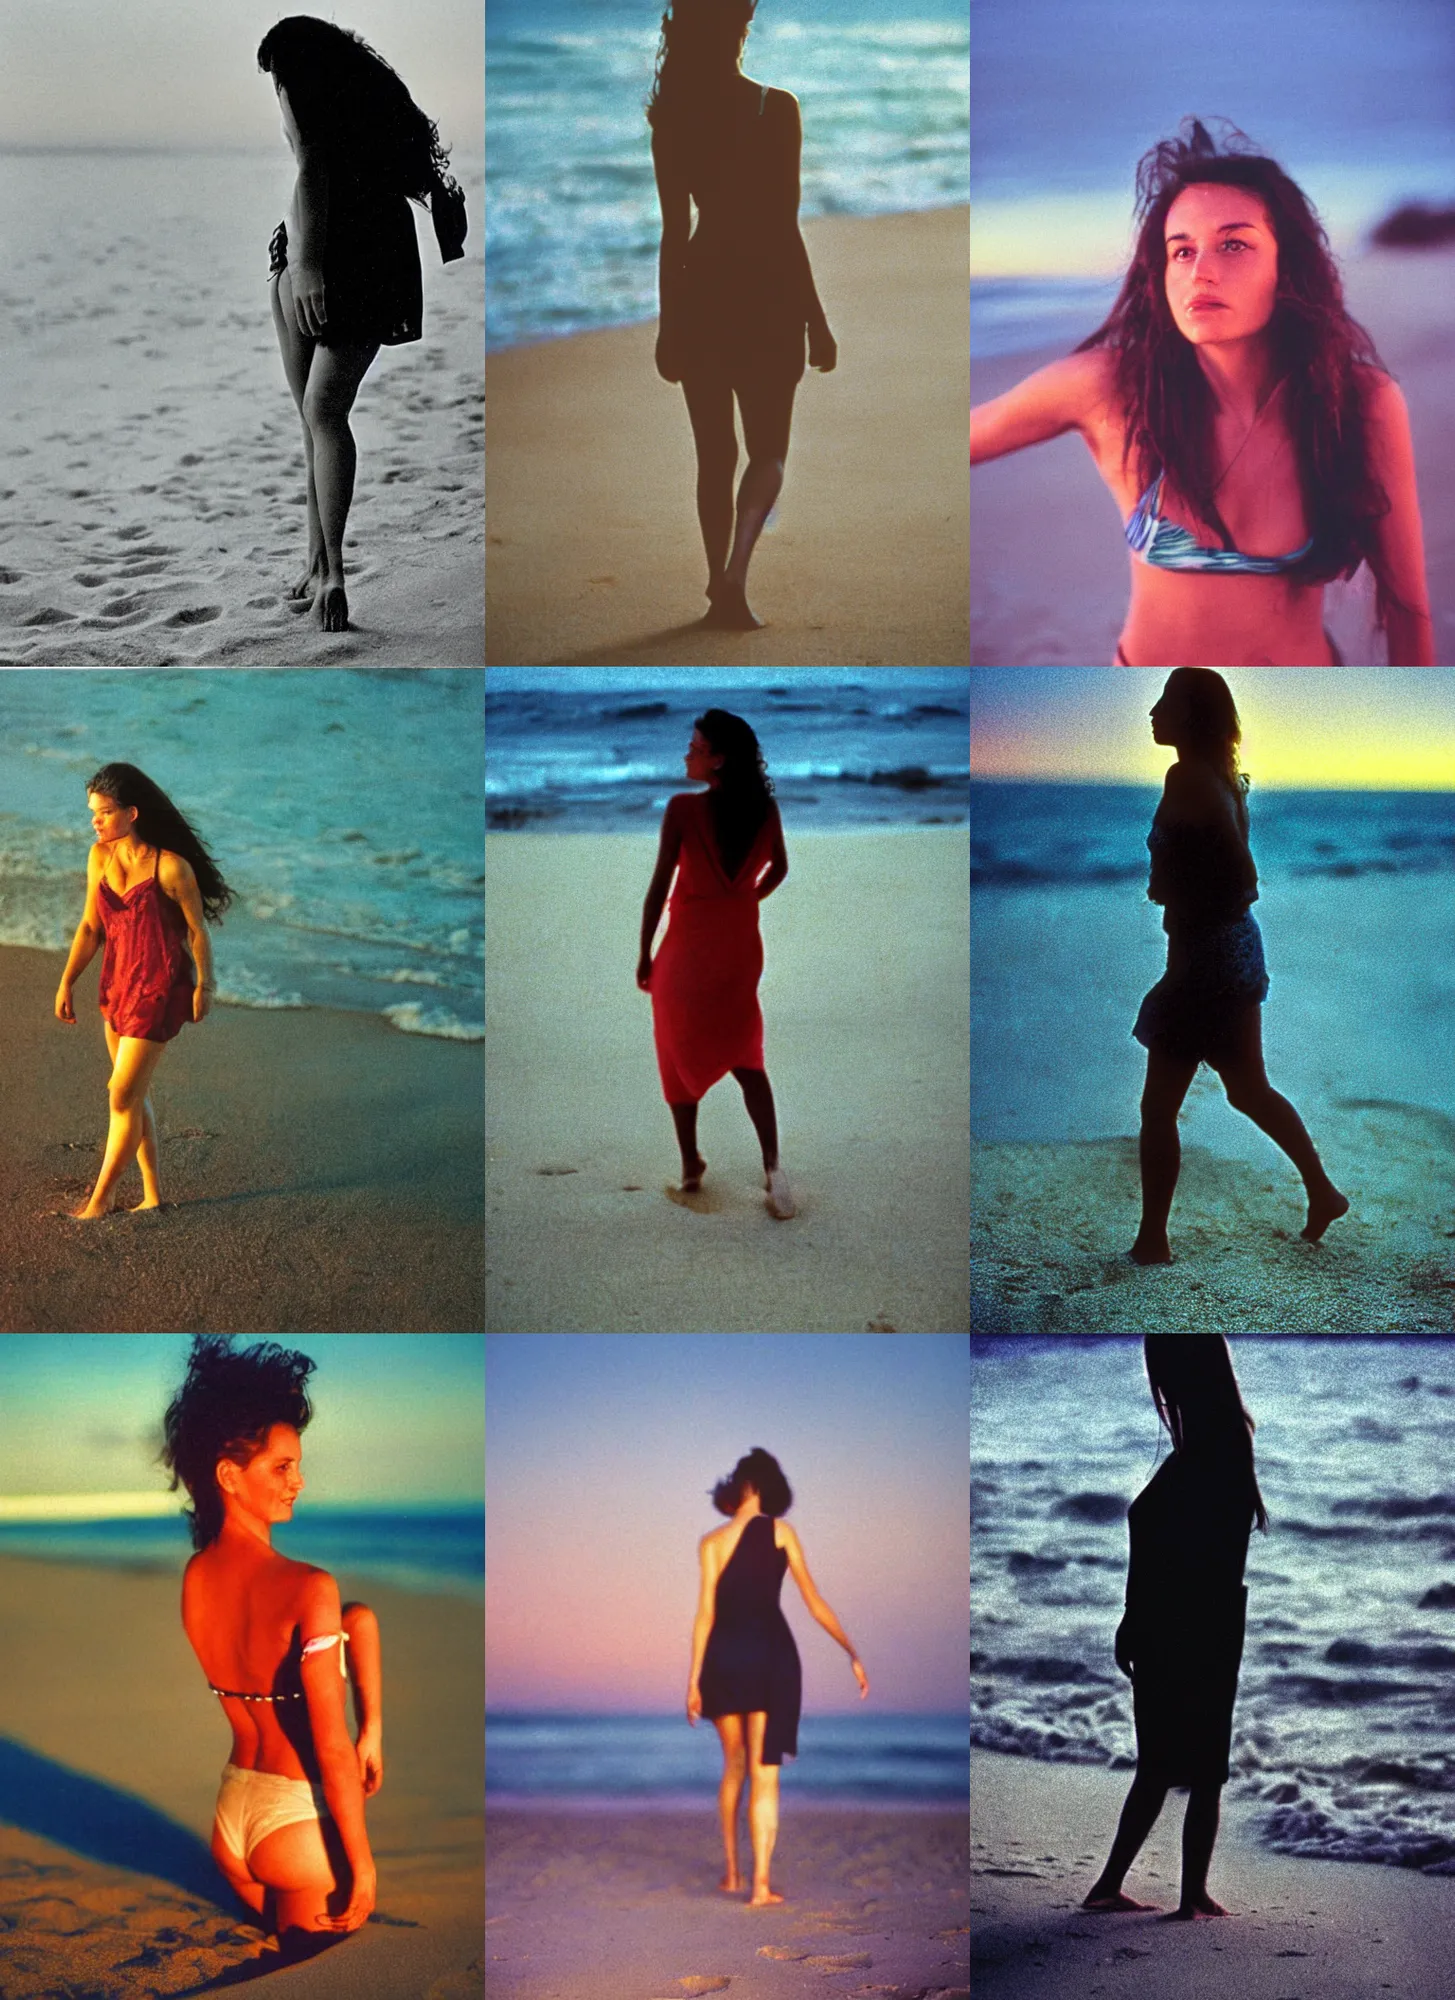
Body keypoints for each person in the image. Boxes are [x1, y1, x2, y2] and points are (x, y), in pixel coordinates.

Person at [969, 117, 1435, 666]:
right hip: (1153, 720)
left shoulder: (1358, 400)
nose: (1201, 273)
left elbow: (1406, 606)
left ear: (1287, 267)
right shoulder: (1112, 388)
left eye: (1233, 245)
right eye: (1182, 251)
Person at [162, 1335, 383, 1956]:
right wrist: (362, 1867)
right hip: (294, 1830)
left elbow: (354, 1623)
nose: (299, 1482)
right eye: (282, 1467)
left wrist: (376, 1730)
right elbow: (331, 1750)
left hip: (233, 1822)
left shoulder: (197, 1575)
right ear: (229, 1475)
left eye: (297, 1465)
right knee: (325, 1962)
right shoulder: (309, 1585)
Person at [1130, 669, 1348, 1264]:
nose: (1152, 711)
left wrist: (1183, 902)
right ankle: (1323, 1192)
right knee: (1248, 1089)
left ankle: (1152, 1240)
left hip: (1207, 960)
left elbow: (1241, 877)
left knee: (1159, 1108)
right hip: (1230, 952)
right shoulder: (1217, 777)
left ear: (1192, 715)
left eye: (1166, 701)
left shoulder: (1189, 777)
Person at [259, 16, 468, 632]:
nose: (277, 89)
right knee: (314, 417)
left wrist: (308, 265)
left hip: (342, 255)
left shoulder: (306, 82)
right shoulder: (364, 92)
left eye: (276, 75)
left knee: (324, 412)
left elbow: (310, 170)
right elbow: (313, 177)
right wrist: (300, 257)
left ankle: (333, 576)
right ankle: (315, 560)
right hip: (326, 246)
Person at [648, 0, 837, 632]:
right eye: (741, 24)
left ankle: (716, 587)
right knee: (769, 453)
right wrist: (816, 317)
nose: (742, 33)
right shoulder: (775, 109)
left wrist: (668, 324)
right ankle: (734, 575)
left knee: (714, 455)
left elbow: (675, 233)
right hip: (770, 293)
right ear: (733, 32)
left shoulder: (672, 120)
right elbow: (784, 223)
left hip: (702, 290)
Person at [1084, 1335, 1266, 1920]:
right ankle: (1170, 1893)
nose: (1158, 1393)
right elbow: (1173, 1537)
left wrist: (1137, 1616)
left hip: (1188, 1618)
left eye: (1162, 1378)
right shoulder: (1216, 1445)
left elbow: (1169, 1534)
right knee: (1179, 1764)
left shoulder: (1210, 1449)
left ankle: (1163, 1891)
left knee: (1177, 1764)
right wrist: (1135, 1616)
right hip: (1193, 1617)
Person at [687, 1449, 868, 1905]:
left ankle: (731, 1873)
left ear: (741, 1487)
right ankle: (761, 1886)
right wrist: (851, 1650)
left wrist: (692, 1681)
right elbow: (814, 1601)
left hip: (723, 1659)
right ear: (765, 1487)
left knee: (733, 1768)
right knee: (764, 1775)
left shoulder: (710, 1543)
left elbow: (705, 1614)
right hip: (769, 1654)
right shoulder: (781, 1531)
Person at [54, 763, 234, 1221]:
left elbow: (197, 932)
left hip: (158, 987)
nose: (95, 821)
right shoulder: (99, 858)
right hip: (116, 984)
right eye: (92, 812)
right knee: (132, 1095)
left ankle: (101, 1200)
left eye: (104, 812)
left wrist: (205, 986)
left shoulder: (171, 868)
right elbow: (91, 927)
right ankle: (152, 1194)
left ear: (132, 813)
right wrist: (67, 980)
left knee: (120, 1094)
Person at [637, 710, 794, 1218]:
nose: (687, 753)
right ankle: (773, 1168)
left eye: (695, 746)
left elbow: (659, 887)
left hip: (686, 951)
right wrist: (744, 899)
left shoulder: (682, 810)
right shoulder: (765, 810)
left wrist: (644, 953)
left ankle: (690, 1164)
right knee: (748, 1054)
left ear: (718, 759)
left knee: (675, 1047)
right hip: (740, 948)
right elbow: (781, 869)